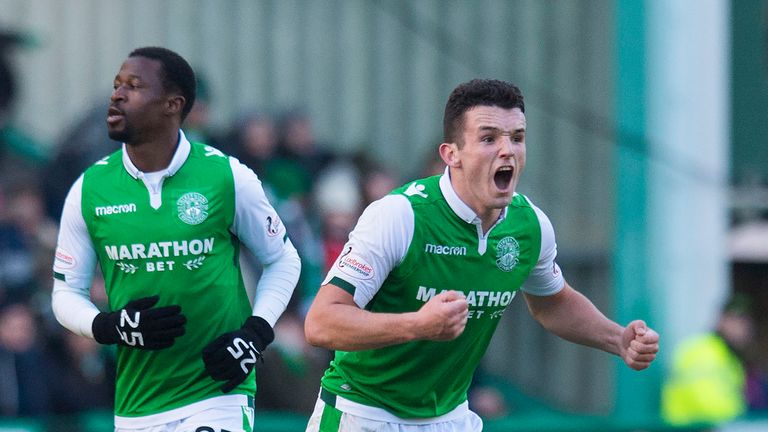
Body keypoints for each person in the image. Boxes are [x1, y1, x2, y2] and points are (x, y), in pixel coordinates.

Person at [303, 79, 660, 431]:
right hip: (362, 415)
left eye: (517, 138)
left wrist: (618, 339)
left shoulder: (530, 226)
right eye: (489, 139)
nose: (508, 150)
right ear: (451, 154)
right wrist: (418, 325)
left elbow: (552, 302)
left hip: (450, 418)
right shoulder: (399, 216)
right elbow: (321, 322)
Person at [50, 46, 301, 432]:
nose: (117, 94)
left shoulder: (227, 177)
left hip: (218, 393)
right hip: (137, 403)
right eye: (116, 85)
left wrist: (255, 334)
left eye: (134, 86)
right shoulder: (89, 189)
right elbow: (65, 294)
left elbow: (283, 260)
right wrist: (108, 326)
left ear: (172, 104)